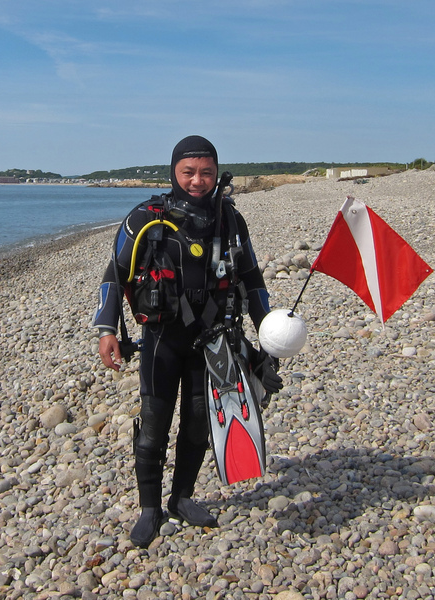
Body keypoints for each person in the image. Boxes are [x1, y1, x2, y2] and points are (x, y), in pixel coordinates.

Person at [93, 135, 281, 547]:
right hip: (163, 338)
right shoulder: (145, 218)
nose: (198, 180)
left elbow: (252, 278)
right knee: (154, 424)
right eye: (189, 172)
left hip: (212, 339)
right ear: (174, 172)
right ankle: (149, 508)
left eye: (206, 172)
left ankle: (181, 498)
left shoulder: (230, 220)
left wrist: (268, 332)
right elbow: (115, 275)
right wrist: (107, 329)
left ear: (217, 174)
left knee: (198, 422)